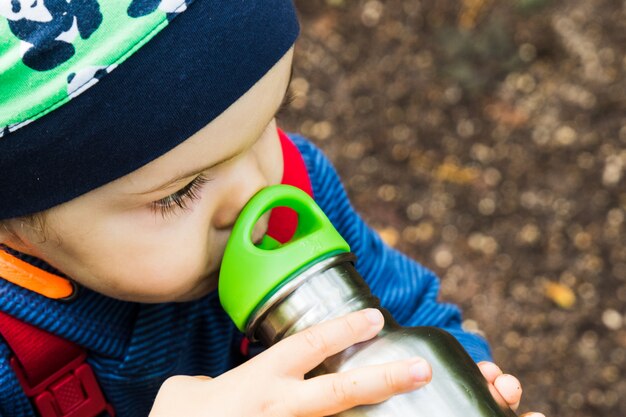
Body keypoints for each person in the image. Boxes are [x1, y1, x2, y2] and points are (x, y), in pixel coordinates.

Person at [0, 1, 544, 416]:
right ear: (17, 228)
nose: (258, 193)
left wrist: (456, 374)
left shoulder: (295, 196)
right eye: (180, 192)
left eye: (266, 126)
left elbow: (411, 311)